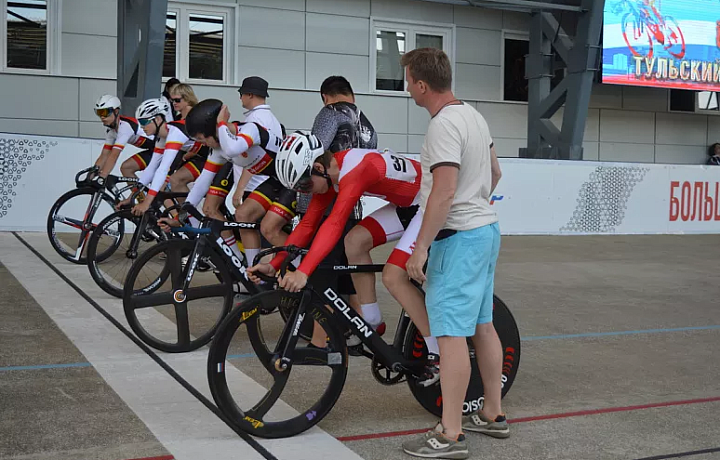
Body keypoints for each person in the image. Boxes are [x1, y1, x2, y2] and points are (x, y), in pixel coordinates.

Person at [246, 133, 441, 384]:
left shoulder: (355, 169)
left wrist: (303, 272)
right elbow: (307, 225)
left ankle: (437, 352)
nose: (304, 193)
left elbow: (335, 223)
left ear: (318, 168)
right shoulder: (330, 174)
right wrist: (275, 265)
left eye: (304, 186)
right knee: (355, 241)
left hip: (428, 203)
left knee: (394, 276)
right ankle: (371, 319)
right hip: (408, 204)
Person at [399, 48, 507, 460]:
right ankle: (492, 414)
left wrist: (420, 248)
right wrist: (475, 202)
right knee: (483, 324)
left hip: (458, 237)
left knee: (449, 336)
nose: (408, 88)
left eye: (409, 81)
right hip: (486, 229)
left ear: (422, 85)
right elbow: (495, 172)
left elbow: (443, 192)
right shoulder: (474, 117)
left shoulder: (442, 125)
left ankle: (450, 434)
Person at [177, 99, 296, 265]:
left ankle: (303, 267)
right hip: (277, 180)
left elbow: (233, 148)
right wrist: (184, 210)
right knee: (242, 215)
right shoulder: (219, 150)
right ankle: (252, 270)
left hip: (297, 180)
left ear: (214, 130)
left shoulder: (250, 129)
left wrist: (221, 123)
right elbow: (203, 181)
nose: (200, 144)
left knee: (269, 229)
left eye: (201, 139)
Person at [91, 95, 155, 184]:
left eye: (105, 112)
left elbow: (114, 155)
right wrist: (91, 175)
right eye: (99, 113)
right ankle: (141, 198)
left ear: (116, 111)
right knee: (126, 168)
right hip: (153, 150)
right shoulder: (111, 131)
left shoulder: (125, 126)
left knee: (127, 168)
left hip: (164, 149)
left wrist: (103, 176)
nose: (102, 117)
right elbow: (104, 155)